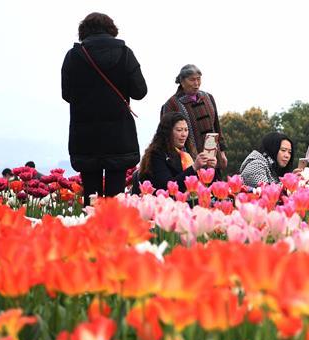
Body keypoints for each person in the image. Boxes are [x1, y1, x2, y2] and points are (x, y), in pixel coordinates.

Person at [62, 12, 148, 205]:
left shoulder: (73, 57)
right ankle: (113, 233)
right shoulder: (125, 54)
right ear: (111, 30)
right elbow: (140, 91)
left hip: (85, 135)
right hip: (118, 135)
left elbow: (66, 94)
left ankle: (90, 232)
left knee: (90, 198)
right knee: (115, 198)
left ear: (83, 31)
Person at [160, 64, 228, 178]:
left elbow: (216, 126)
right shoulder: (171, 105)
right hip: (188, 164)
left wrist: (222, 152)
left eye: (198, 79)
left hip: (213, 160)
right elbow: (166, 136)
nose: (196, 83)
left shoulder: (208, 98)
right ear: (182, 82)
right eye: (192, 80)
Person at [134, 112, 216, 194]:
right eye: (179, 130)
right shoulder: (156, 154)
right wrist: (194, 167)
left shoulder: (186, 154)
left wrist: (210, 168)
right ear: (167, 132)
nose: (184, 134)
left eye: (186, 130)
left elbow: (200, 186)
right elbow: (167, 186)